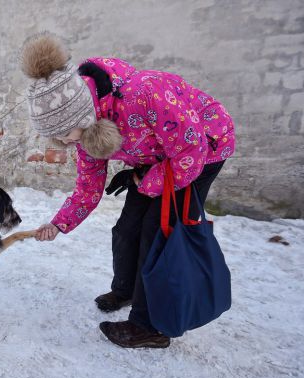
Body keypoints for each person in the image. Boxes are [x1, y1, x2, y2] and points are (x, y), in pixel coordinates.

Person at [20, 33, 235, 348]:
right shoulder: (84, 135)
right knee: (127, 229)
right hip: (157, 160)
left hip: (203, 150)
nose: (65, 141)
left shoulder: (145, 94)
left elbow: (191, 152)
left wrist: (144, 181)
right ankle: (127, 290)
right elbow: (87, 190)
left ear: (82, 115)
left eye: (65, 133)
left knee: (158, 234)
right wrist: (58, 224)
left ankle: (151, 326)